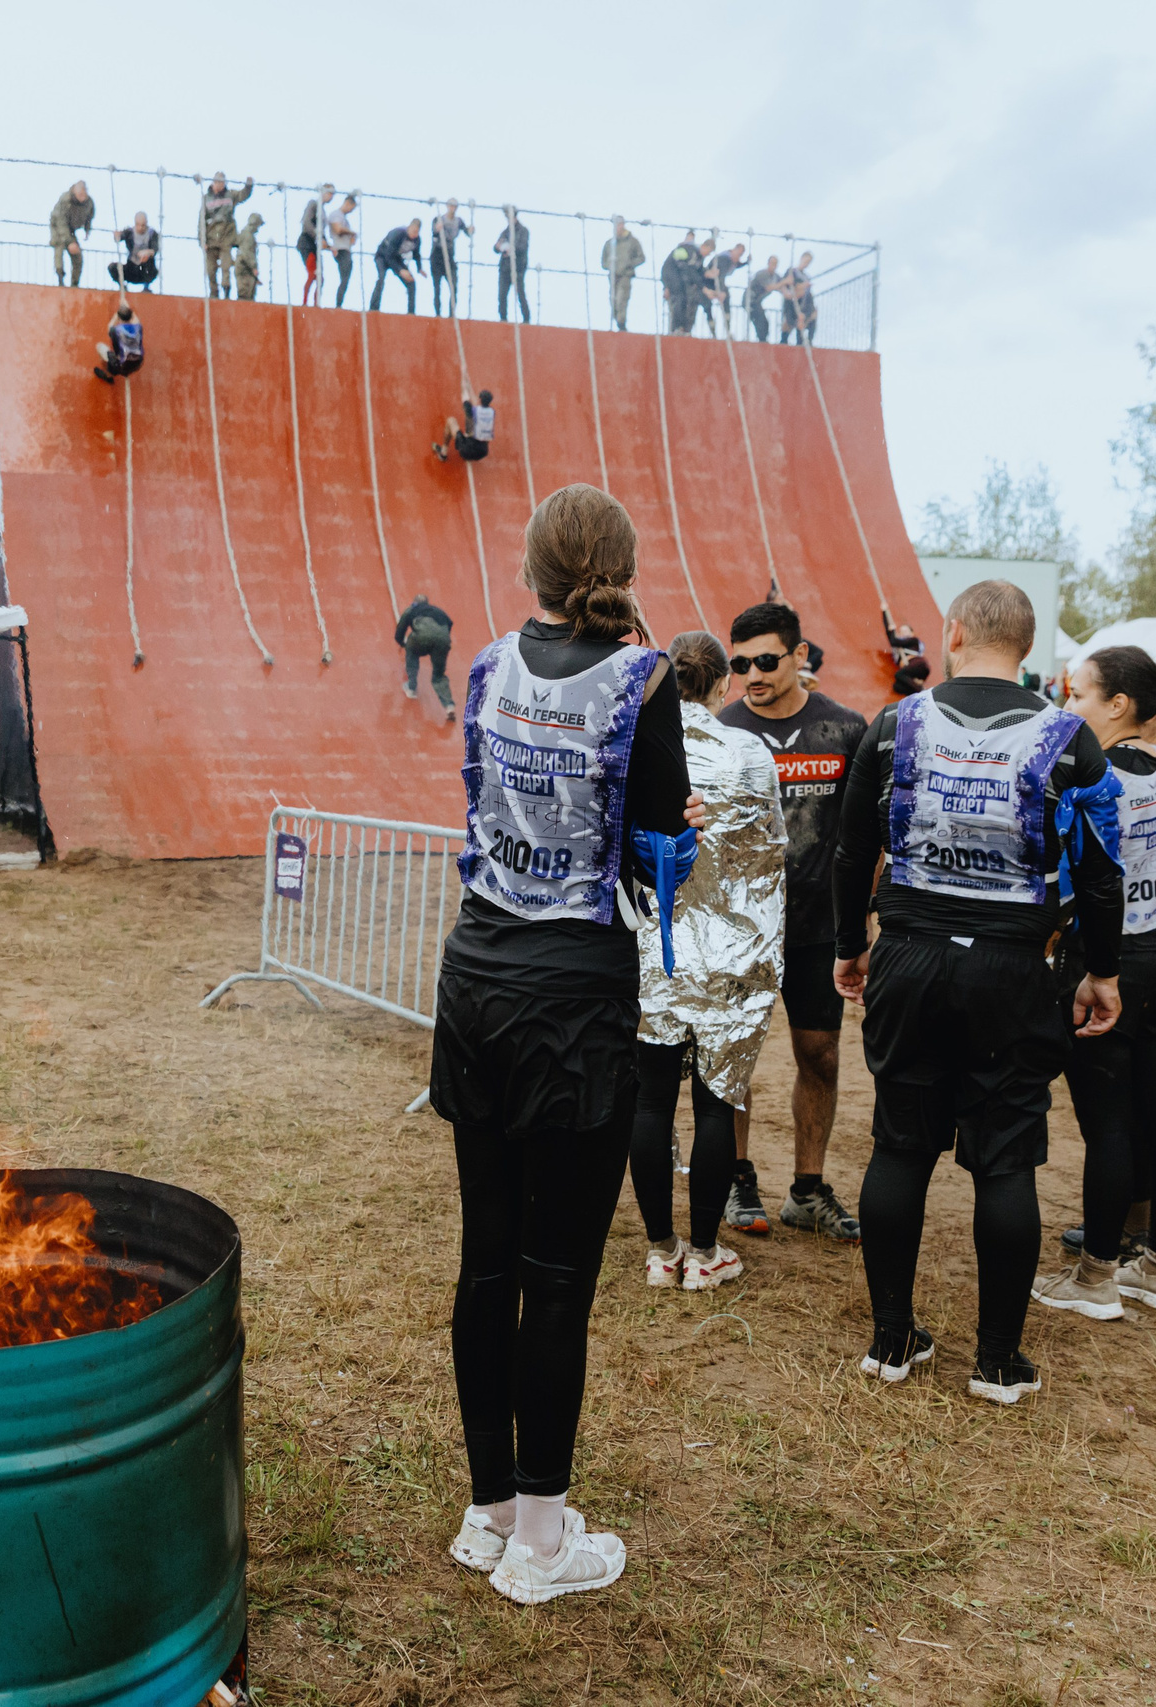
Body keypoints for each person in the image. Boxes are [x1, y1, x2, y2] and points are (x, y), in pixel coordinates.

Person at [433, 482, 701, 1605]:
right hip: (571, 994)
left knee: (486, 1257)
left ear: (532, 566)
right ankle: (541, 1543)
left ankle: (490, 1508)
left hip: (478, 973)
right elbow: (656, 840)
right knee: (557, 1278)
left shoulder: (487, 663)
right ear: (623, 567)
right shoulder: (644, 682)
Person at [832, 580, 1127, 1405]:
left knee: (900, 1145)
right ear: (1027, 647)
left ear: (953, 631)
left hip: (912, 953)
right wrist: (1102, 971)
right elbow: (1104, 874)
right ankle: (998, 1359)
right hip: (1013, 964)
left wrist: (849, 947)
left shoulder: (895, 723)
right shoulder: (1070, 738)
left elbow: (852, 851)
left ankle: (892, 1339)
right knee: (1005, 1162)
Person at [1031, 647, 1156, 1321]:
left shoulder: (1086, 771)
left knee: (1107, 1127)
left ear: (1119, 706)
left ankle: (1098, 1274)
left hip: (1103, 960)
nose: (1067, 705)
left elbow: (1062, 875)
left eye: (1079, 694)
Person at [631, 631, 787, 1291]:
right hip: (731, 954)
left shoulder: (646, 746)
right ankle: (704, 1251)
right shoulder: (750, 751)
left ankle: (661, 1249)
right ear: (722, 683)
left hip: (656, 948)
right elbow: (772, 846)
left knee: (652, 1101)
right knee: (717, 1103)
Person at [717, 601, 870, 1243]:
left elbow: (868, 834)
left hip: (817, 928)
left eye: (766, 660)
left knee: (821, 1054)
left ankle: (807, 1190)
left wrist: (866, 921)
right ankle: (734, 1179)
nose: (752, 673)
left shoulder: (846, 730)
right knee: (733, 1061)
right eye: (740, 662)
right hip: (738, 930)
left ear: (799, 655)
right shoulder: (719, 733)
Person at [395, 593, 458, 719]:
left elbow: (400, 631)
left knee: (412, 652)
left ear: (415, 602)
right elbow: (449, 624)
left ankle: (411, 687)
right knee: (439, 675)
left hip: (422, 636)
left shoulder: (412, 609)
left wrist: (403, 643)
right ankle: (449, 706)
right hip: (443, 640)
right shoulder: (439, 611)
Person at [198, 173, 256, 299]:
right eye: (218, 182)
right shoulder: (206, 198)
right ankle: (214, 293)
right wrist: (202, 240)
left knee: (226, 267)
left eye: (222, 182)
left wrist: (248, 186)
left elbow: (242, 195)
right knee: (211, 269)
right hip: (212, 237)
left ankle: (226, 291)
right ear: (213, 183)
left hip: (227, 237)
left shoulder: (230, 195)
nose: (220, 185)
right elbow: (201, 220)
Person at [600, 217, 645, 333]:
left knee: (621, 299)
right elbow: (603, 261)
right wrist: (609, 265)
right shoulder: (609, 243)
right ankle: (618, 321)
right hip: (613, 276)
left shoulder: (632, 241)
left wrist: (628, 265)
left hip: (625, 276)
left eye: (620, 224)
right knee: (613, 300)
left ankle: (621, 324)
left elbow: (641, 257)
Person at [371, 217, 425, 314]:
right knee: (381, 278)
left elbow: (416, 254)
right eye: (413, 231)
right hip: (383, 256)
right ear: (409, 227)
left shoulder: (417, 240)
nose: (414, 234)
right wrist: (400, 271)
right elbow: (388, 255)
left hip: (396, 258)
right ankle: (373, 309)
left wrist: (419, 268)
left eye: (416, 232)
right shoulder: (399, 233)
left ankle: (411, 313)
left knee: (411, 283)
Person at [48, 180, 94, 287]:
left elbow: (90, 216)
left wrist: (87, 230)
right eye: (80, 194)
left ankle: (75, 283)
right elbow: (61, 222)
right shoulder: (65, 200)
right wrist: (69, 242)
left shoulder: (89, 202)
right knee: (59, 245)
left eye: (84, 193)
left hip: (72, 228)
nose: (83, 197)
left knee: (77, 255)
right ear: (75, 192)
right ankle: (60, 277)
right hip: (58, 225)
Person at [430, 199, 472, 315]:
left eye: (455, 207)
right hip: (437, 255)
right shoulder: (439, 219)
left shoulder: (458, 221)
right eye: (451, 206)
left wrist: (471, 230)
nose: (453, 209)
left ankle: (451, 314)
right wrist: (437, 229)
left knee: (454, 287)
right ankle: (438, 313)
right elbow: (433, 233)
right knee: (437, 288)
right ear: (447, 206)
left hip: (449, 255)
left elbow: (467, 232)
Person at [435, 390, 497, 465]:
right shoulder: (492, 412)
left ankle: (443, 454)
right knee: (478, 430)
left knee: (451, 421)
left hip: (467, 450)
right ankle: (469, 452)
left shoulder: (473, 410)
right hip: (482, 452)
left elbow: (465, 400)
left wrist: (465, 386)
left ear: (480, 399)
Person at [298, 183, 335, 306]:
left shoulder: (322, 211)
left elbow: (322, 233)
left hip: (314, 245)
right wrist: (318, 237)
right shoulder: (313, 204)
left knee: (320, 278)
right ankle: (305, 302)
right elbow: (307, 223)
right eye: (330, 193)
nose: (331, 197)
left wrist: (328, 246)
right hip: (306, 243)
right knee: (313, 273)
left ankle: (315, 303)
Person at [493, 206, 531, 324]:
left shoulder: (523, 231)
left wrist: (511, 248)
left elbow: (522, 247)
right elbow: (495, 248)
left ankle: (526, 320)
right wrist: (498, 247)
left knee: (520, 294)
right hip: (505, 267)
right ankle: (503, 319)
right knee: (502, 295)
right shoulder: (505, 232)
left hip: (518, 268)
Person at [92, 299, 144, 385]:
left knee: (99, 346)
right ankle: (117, 370)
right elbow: (135, 319)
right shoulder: (138, 328)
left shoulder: (115, 330)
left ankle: (109, 375)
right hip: (137, 363)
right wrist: (127, 307)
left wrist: (117, 312)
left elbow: (110, 325)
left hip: (121, 365)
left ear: (119, 318)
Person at [661, 233, 703, 336]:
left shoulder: (686, 251)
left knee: (681, 302)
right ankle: (676, 328)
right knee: (678, 302)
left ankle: (680, 328)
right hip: (674, 281)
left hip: (677, 282)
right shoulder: (683, 250)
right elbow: (684, 267)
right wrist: (667, 286)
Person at [704, 241, 745, 339]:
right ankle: (715, 332)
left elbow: (737, 265)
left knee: (724, 301)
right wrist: (721, 291)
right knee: (708, 305)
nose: (738, 258)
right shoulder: (725, 258)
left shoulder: (730, 260)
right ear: (734, 250)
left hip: (715, 283)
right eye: (739, 254)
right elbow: (720, 275)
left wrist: (746, 262)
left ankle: (727, 329)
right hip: (710, 283)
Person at [110, 213, 160, 291]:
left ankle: (146, 287)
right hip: (132, 268)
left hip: (145, 269)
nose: (140, 228)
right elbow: (118, 238)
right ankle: (123, 287)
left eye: (143, 225)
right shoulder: (129, 232)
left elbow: (155, 249)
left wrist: (147, 253)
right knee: (112, 267)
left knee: (149, 266)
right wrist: (116, 235)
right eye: (138, 225)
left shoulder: (152, 233)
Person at [327, 193, 360, 308]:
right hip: (341, 249)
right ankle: (338, 305)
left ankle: (339, 304)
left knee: (345, 279)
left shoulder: (343, 218)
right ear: (347, 204)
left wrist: (351, 237)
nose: (351, 211)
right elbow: (338, 229)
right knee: (345, 278)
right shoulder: (337, 214)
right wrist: (352, 233)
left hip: (345, 249)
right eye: (352, 208)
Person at [779, 252, 816, 345]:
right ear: (801, 258)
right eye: (806, 261)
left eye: (809, 262)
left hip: (802, 304)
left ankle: (805, 341)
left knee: (805, 320)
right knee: (789, 323)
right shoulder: (792, 272)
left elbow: (807, 294)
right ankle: (784, 341)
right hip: (791, 303)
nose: (806, 264)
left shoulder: (806, 277)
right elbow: (785, 285)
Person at [745, 254, 784, 343]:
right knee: (759, 321)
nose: (773, 266)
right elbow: (769, 287)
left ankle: (762, 341)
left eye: (775, 264)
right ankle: (761, 341)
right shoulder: (762, 274)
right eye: (772, 263)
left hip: (757, 302)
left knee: (764, 323)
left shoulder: (775, 277)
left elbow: (782, 287)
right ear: (768, 263)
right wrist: (784, 282)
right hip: (750, 300)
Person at [230, 211, 264, 301]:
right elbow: (246, 253)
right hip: (244, 268)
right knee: (245, 295)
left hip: (245, 267)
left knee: (248, 294)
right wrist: (254, 267)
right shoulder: (248, 235)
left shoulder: (245, 233)